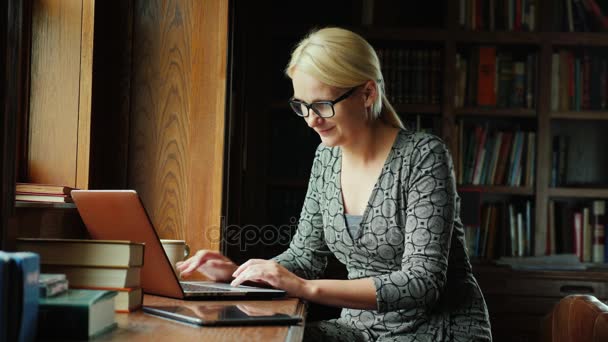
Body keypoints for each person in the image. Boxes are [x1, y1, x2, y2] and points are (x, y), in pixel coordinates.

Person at [176, 27, 492, 341]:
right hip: (361, 329)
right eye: (302, 106)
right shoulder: (326, 159)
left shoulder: (423, 156)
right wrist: (239, 275)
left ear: (368, 93)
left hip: (439, 330)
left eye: (322, 105)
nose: (311, 119)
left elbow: (422, 283)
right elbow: (303, 258)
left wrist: (305, 289)